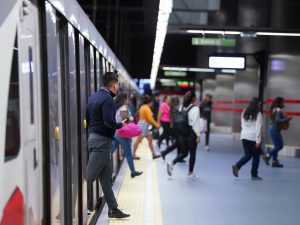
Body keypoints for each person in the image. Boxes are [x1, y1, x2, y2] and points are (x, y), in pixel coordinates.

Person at [86, 72, 130, 219]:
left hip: (95, 138)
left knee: (106, 178)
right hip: (102, 142)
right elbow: (108, 122)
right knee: (89, 176)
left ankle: (113, 209)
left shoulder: (93, 97)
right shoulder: (109, 99)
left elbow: (88, 118)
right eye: (117, 84)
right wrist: (120, 124)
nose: (117, 87)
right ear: (114, 84)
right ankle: (66, 208)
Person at [167, 91, 201, 179]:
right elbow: (195, 123)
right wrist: (198, 135)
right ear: (193, 99)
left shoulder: (182, 107)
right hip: (191, 133)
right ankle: (190, 173)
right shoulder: (195, 109)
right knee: (192, 153)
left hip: (182, 133)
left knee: (184, 153)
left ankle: (172, 163)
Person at [111, 93, 143, 178]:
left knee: (110, 151)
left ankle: (102, 165)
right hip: (123, 134)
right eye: (127, 98)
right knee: (128, 153)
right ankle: (133, 171)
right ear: (125, 99)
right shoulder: (124, 107)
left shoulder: (118, 107)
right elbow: (125, 119)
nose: (128, 100)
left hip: (118, 132)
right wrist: (131, 118)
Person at [232, 97, 263, 180]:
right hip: (253, 137)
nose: (260, 105)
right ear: (257, 104)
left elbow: (242, 124)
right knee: (256, 156)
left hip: (244, 136)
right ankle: (254, 175)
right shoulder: (258, 114)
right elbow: (258, 128)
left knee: (248, 155)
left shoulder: (244, 111)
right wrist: (258, 141)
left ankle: (237, 166)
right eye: (259, 103)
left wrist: (246, 131)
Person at [263, 97, 292, 167]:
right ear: (279, 103)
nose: (284, 104)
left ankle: (274, 161)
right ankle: (267, 155)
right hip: (274, 130)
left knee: (276, 146)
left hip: (272, 129)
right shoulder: (278, 111)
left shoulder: (275, 110)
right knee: (280, 145)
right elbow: (277, 121)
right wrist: (287, 119)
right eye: (283, 102)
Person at [133, 95, 161, 160]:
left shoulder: (143, 107)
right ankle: (133, 154)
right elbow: (149, 118)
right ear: (149, 102)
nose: (152, 103)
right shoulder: (146, 108)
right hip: (144, 125)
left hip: (144, 125)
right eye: (151, 102)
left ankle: (153, 154)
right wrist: (156, 125)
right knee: (138, 140)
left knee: (150, 140)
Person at [160, 96, 184, 161]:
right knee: (178, 143)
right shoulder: (176, 108)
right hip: (176, 128)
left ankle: (178, 157)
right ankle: (164, 152)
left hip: (175, 128)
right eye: (178, 100)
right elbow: (179, 118)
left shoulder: (172, 107)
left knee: (178, 143)